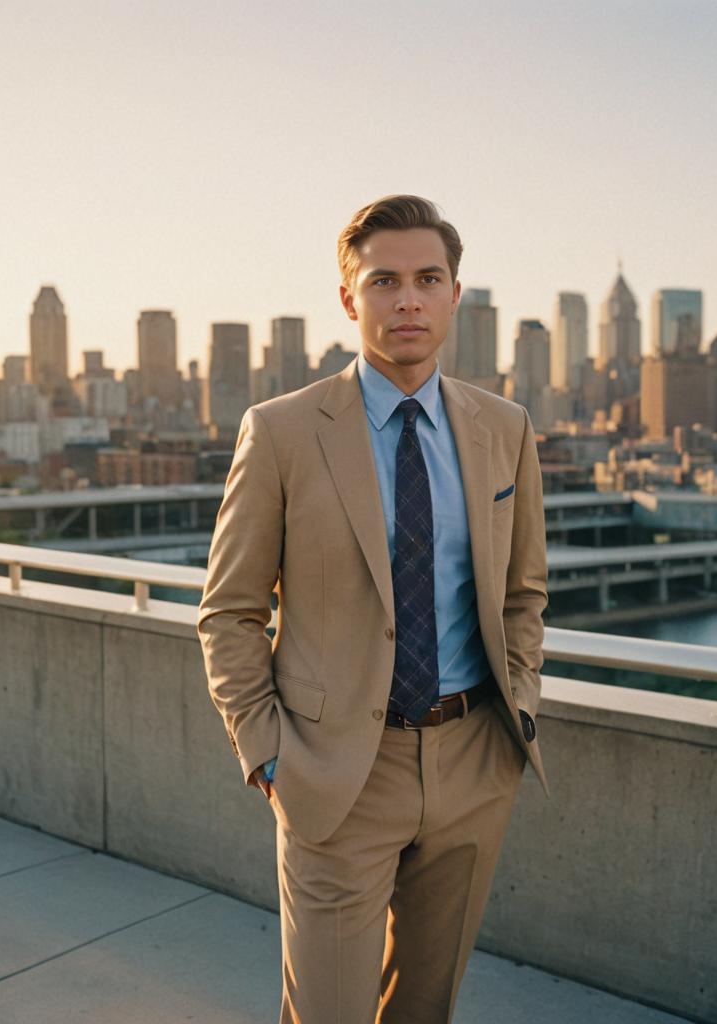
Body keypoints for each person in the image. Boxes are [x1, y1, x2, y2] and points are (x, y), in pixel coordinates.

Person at [197, 193, 549, 1023]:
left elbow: (523, 591)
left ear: (456, 294)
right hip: (333, 771)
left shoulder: (505, 427)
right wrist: (269, 754)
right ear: (350, 298)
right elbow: (230, 610)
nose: (409, 300)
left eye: (429, 279)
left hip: (473, 760)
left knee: (425, 1009)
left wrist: (519, 705)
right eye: (384, 280)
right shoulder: (282, 431)